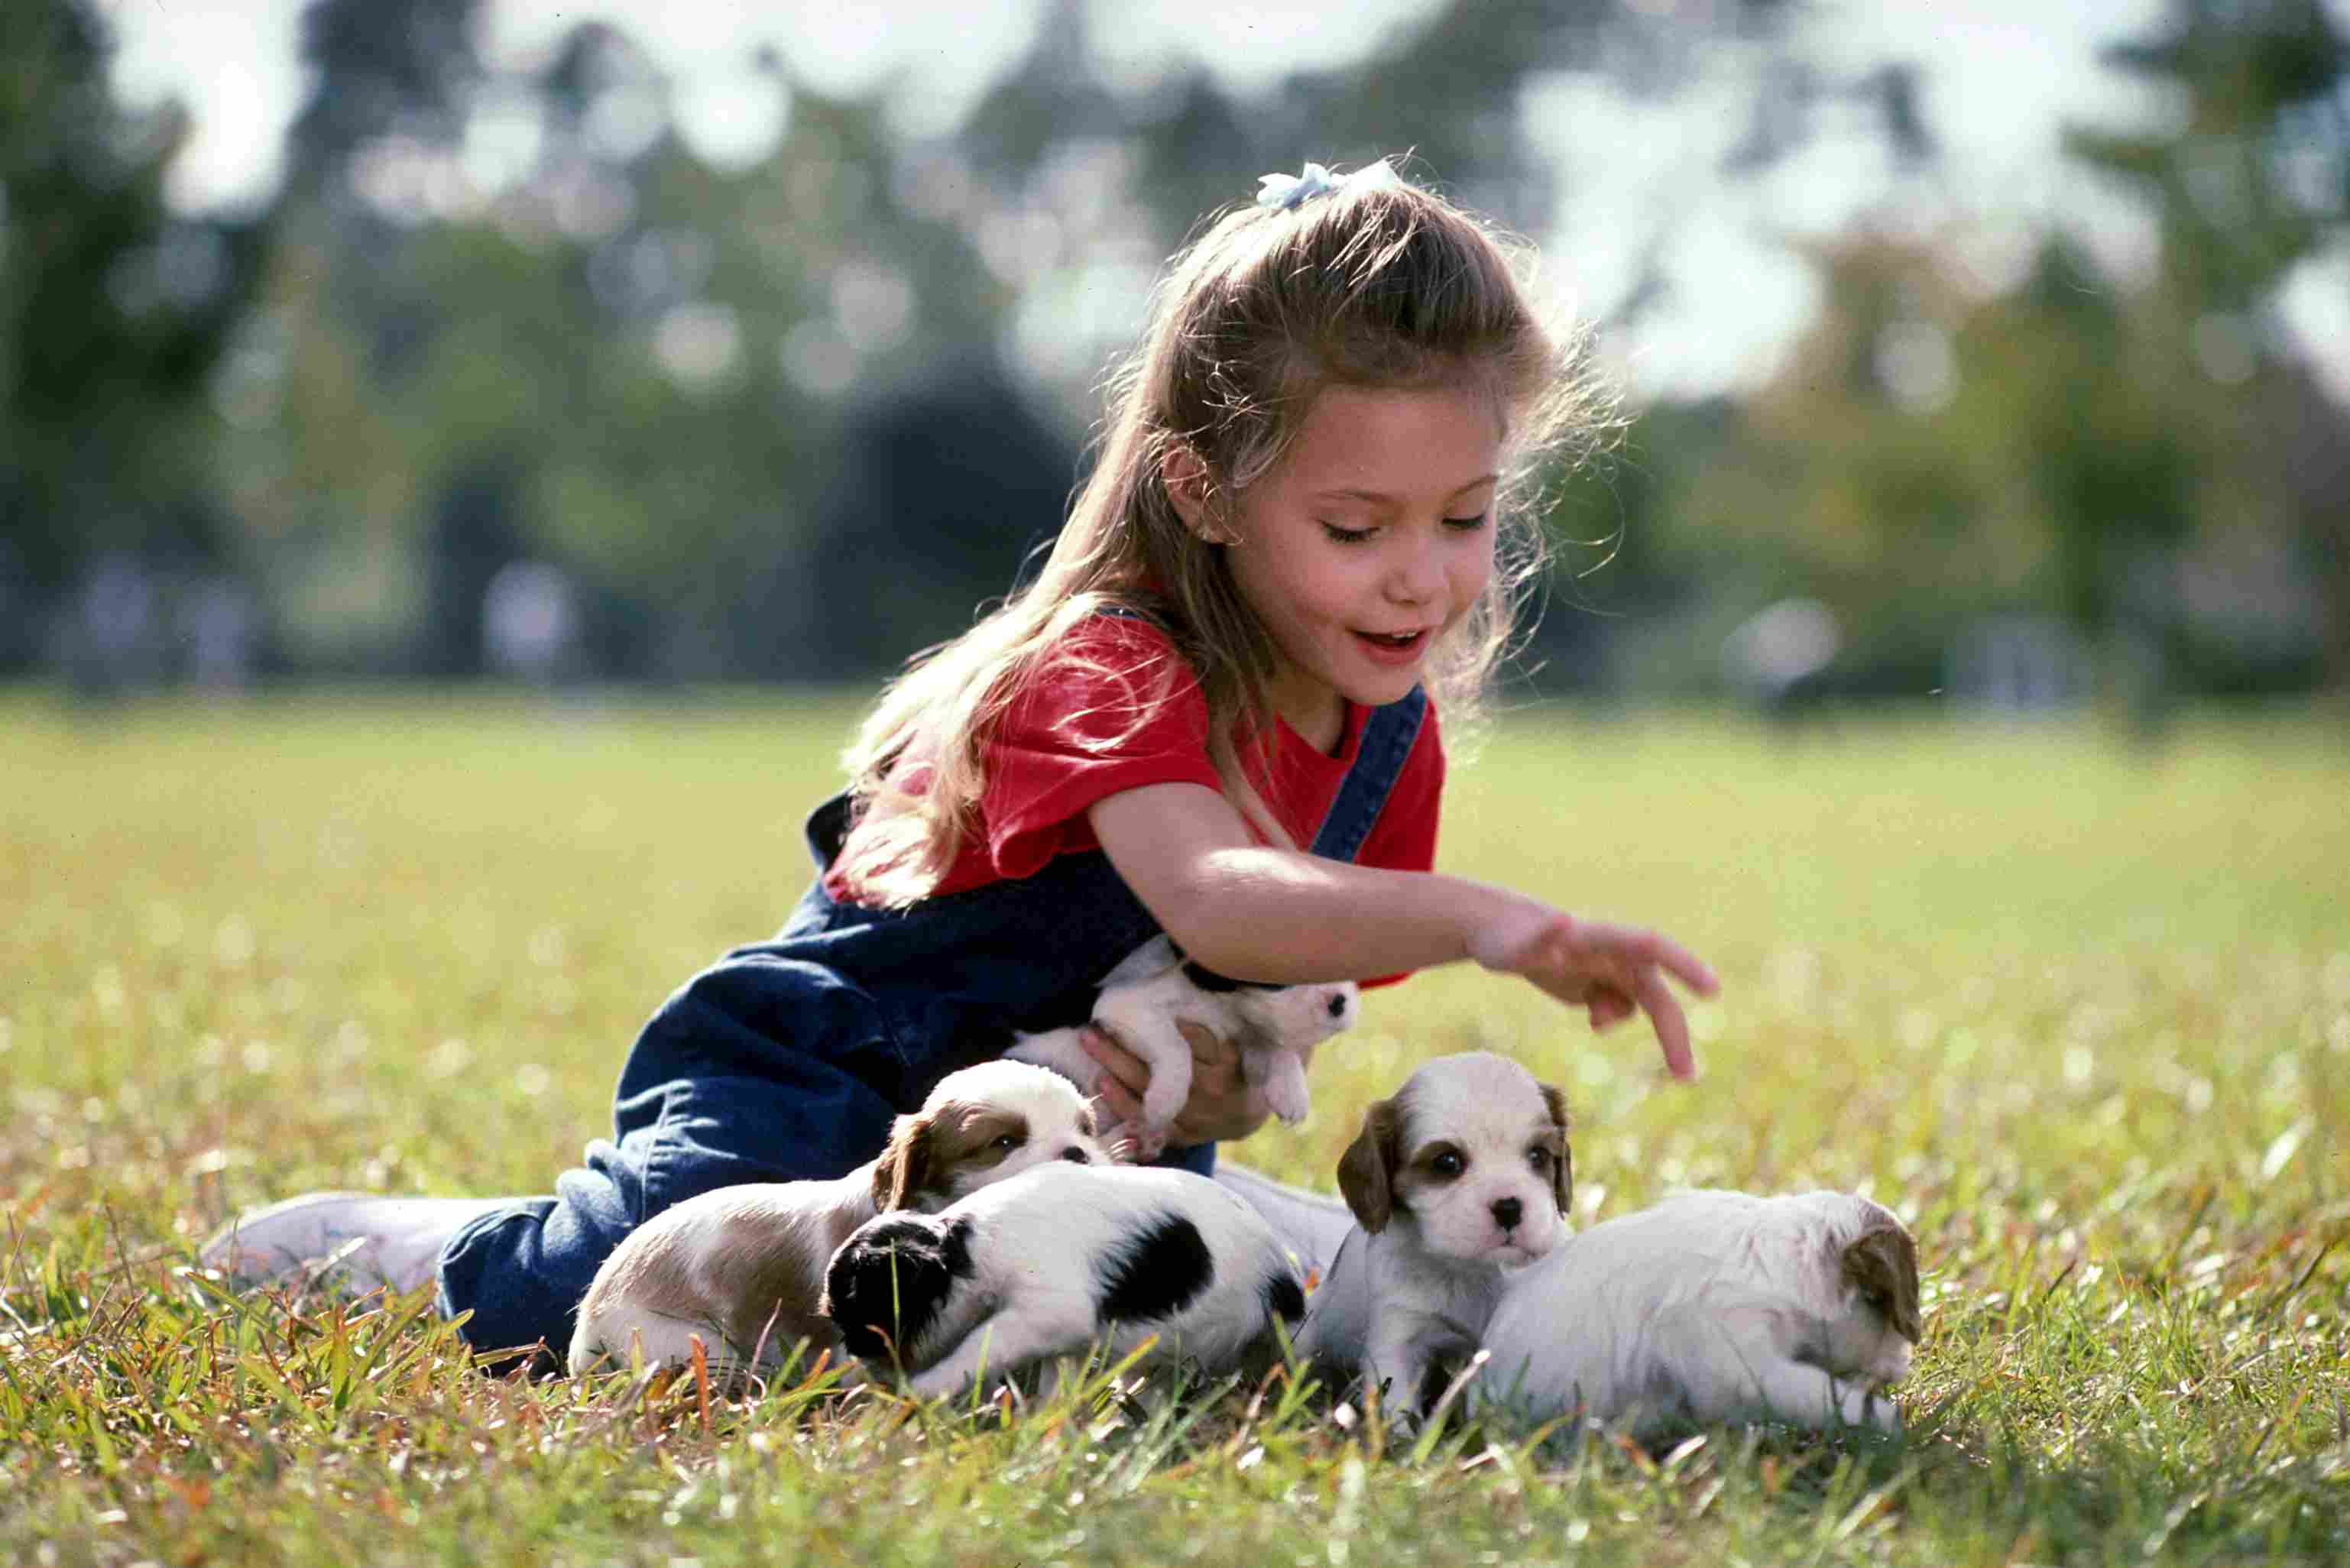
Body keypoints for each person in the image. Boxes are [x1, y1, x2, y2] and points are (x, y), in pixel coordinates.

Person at [202, 158, 1718, 1365]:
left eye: (1459, 517)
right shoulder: (1109, 664)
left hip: (1049, 1151)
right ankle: (403, 1249)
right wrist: (1488, 922)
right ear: (1201, 487)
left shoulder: (1378, 734)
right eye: (1353, 527)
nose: (1420, 579)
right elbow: (1220, 901)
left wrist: (1206, 1107)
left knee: (1191, 1329)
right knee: (638, 1302)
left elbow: (1255, 1007)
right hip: (828, 1087)